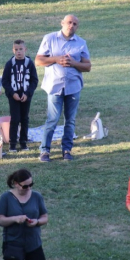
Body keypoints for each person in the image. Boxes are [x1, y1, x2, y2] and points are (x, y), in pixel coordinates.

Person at [35, 15, 91, 162]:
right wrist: (56, 59)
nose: (71, 25)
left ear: (77, 27)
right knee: (52, 119)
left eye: (75, 24)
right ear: (62, 23)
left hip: (73, 87)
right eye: (69, 23)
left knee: (70, 120)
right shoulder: (50, 38)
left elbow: (87, 66)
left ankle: (66, 150)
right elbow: (38, 60)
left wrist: (73, 63)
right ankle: (45, 151)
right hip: (54, 87)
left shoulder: (81, 43)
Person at [0, 169, 48, 260]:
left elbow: (45, 217)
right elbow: (0, 220)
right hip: (13, 245)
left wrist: (37, 222)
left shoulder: (36, 196)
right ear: (15, 183)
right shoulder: (6, 198)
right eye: (25, 186)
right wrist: (15, 219)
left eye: (31, 185)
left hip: (33, 245)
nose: (28, 188)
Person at [1, 39, 39, 152]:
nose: (19, 52)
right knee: (15, 119)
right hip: (14, 97)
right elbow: (5, 81)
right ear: (13, 50)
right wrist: (12, 93)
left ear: (25, 49)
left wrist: (28, 94)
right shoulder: (10, 64)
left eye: (21, 49)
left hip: (26, 96)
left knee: (24, 119)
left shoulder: (29, 63)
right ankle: (12, 144)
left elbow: (34, 80)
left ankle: (23, 142)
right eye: (16, 50)